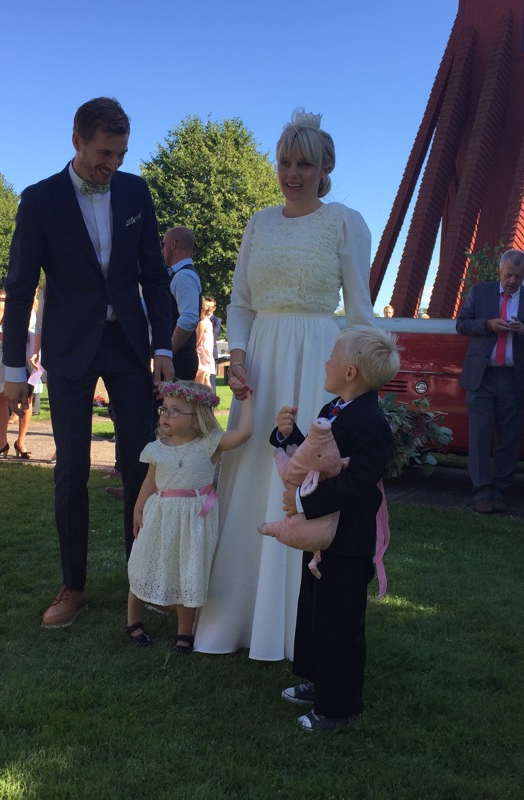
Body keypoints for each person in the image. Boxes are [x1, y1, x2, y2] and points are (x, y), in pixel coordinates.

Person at [193, 109, 375, 661]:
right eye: (285, 163)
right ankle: (237, 617)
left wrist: (362, 385)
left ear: (324, 170)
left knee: (307, 477)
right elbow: (240, 303)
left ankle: (300, 627)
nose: (292, 174)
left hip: (319, 357)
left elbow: (360, 309)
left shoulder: (344, 222)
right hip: (263, 365)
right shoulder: (258, 223)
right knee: (253, 468)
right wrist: (237, 357)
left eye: (304, 164)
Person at [2, 97, 174, 629]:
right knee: (71, 468)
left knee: (141, 463)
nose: (113, 165)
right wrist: (12, 370)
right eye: (104, 153)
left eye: (121, 154)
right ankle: (73, 586)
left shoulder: (136, 192)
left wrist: (163, 347)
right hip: (69, 347)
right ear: (76, 140)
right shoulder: (39, 200)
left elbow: (154, 275)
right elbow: (19, 285)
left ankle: (141, 582)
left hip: (128, 345)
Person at [273, 327, 399, 731]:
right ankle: (317, 680)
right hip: (323, 537)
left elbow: (357, 481)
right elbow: (318, 455)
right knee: (314, 611)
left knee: (340, 624)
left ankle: (339, 706)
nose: (325, 362)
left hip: (347, 540)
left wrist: (304, 502)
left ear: (350, 372)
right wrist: (288, 436)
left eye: (331, 357)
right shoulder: (334, 407)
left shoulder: (372, 422)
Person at [126, 380, 254, 653]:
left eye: (175, 411)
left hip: (194, 520)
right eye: (164, 409)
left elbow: (244, 433)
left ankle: (184, 632)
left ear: (197, 419)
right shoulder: (157, 447)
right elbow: (150, 481)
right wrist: (137, 509)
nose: (165, 415)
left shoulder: (209, 444)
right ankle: (133, 621)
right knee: (145, 564)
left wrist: (246, 399)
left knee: (188, 570)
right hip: (160, 517)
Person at [456, 249, 524, 514]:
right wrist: (487, 325)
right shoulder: (480, 292)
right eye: (509, 275)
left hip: (514, 377)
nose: (512, 281)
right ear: (499, 271)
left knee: (509, 438)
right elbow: (462, 324)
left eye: (519, 277)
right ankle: (481, 493)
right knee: (480, 436)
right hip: (482, 376)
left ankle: (499, 490)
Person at [0, 289, 36, 459]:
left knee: (27, 397)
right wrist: (16, 338)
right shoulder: (4, 302)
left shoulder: (37, 304)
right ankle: (2, 442)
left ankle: (21, 442)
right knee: (1, 395)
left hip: (30, 354)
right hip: (8, 351)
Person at [163, 226, 201, 380]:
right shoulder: (180, 274)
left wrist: (167, 354)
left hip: (178, 361)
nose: (162, 250)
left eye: (163, 244)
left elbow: (189, 319)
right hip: (178, 359)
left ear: (173, 245)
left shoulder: (183, 276)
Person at [195, 298, 216, 387]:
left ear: (203, 310)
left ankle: (198, 395)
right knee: (206, 379)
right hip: (207, 353)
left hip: (202, 353)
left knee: (199, 380)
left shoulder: (202, 323)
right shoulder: (208, 322)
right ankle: (210, 395)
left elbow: (197, 340)